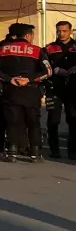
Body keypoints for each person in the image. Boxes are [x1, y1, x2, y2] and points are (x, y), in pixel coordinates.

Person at [0, 23, 49, 163]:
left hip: (11, 92)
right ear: (28, 35)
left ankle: (12, 153)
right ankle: (35, 153)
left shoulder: (2, 49)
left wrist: (10, 79)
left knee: (12, 122)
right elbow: (48, 71)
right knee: (33, 122)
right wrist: (29, 79)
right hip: (31, 91)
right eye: (32, 35)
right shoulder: (37, 50)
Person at [0, 23, 22, 160]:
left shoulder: (20, 47)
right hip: (5, 86)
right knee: (3, 117)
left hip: (21, 87)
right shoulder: (1, 48)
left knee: (20, 117)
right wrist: (5, 80)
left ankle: (17, 145)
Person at [44, 20, 76, 159]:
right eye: (58, 31)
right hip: (54, 88)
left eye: (64, 31)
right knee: (53, 121)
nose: (61, 34)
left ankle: (73, 152)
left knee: (74, 121)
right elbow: (42, 66)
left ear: (70, 31)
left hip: (73, 89)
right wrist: (54, 69)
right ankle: (54, 150)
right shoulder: (49, 48)